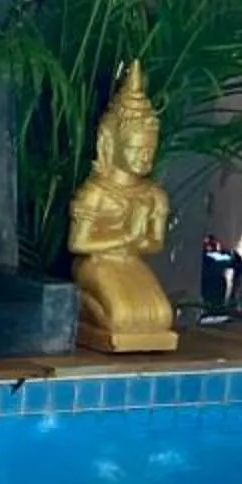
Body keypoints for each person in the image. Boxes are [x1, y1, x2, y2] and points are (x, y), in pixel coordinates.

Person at [67, 61, 179, 354]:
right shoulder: (96, 193)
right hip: (96, 264)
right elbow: (79, 243)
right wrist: (128, 236)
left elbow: (154, 244)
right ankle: (82, 304)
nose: (144, 157)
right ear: (110, 143)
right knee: (123, 317)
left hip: (130, 263)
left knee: (159, 315)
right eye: (136, 148)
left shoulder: (154, 195)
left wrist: (140, 238)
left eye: (149, 149)